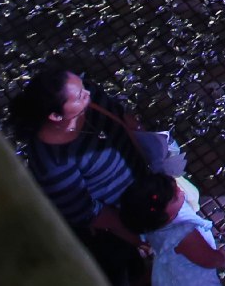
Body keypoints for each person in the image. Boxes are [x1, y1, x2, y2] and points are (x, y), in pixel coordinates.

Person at [11, 65, 152, 282]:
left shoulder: (92, 98)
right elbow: (91, 213)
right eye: (79, 96)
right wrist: (140, 239)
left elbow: (122, 117)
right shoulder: (52, 163)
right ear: (56, 116)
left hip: (145, 185)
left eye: (83, 86)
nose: (87, 92)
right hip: (127, 216)